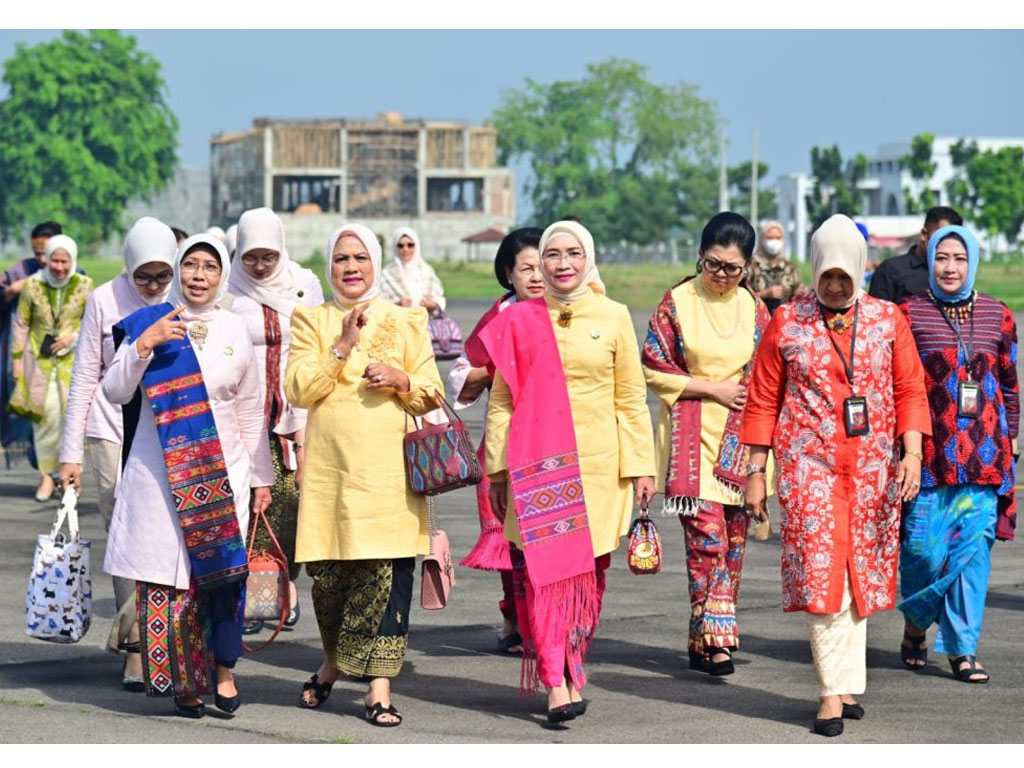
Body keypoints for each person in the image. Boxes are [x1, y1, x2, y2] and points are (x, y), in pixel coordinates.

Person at [741, 214, 930, 737]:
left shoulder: (888, 319)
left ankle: (844, 680)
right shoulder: (789, 322)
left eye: (845, 277)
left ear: (859, 270)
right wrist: (756, 472)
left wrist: (910, 455)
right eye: (828, 275)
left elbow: (910, 390)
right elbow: (762, 399)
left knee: (856, 573)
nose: (835, 285)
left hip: (872, 471)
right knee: (822, 569)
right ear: (818, 266)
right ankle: (829, 692)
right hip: (809, 467)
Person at [477, 220, 656, 724]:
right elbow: (503, 401)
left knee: (590, 579)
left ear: (588, 257)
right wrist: (497, 468)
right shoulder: (520, 320)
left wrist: (641, 465)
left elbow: (630, 398)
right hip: (538, 467)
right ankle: (554, 679)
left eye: (572, 253)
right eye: (551, 255)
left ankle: (574, 658)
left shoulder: (614, 315)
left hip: (600, 468)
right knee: (543, 578)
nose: (561, 264)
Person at [101, 233, 273, 719]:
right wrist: (144, 347)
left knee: (218, 578)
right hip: (161, 472)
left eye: (210, 267)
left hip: (225, 470)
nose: (199, 275)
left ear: (222, 275)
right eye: (191, 265)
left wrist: (261, 479)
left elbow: (250, 406)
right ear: (178, 269)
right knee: (169, 581)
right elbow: (114, 391)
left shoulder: (236, 327)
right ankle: (181, 680)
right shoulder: (150, 322)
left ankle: (223, 673)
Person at [285, 223, 443, 727]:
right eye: (340, 259)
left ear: (376, 264)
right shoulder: (311, 320)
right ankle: (332, 664)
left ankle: (379, 690)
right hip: (331, 477)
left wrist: (402, 380)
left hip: (389, 478)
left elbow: (433, 392)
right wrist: (342, 346)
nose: (351, 268)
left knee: (388, 580)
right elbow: (298, 390)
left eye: (360, 258)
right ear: (329, 267)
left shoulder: (407, 318)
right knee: (331, 582)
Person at [642, 212, 771, 676]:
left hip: (741, 442)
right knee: (707, 542)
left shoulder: (756, 309)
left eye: (732, 269)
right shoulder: (676, 303)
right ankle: (716, 640)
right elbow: (653, 365)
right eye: (713, 264)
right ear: (700, 257)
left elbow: (769, 372)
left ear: (747, 268)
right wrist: (709, 388)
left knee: (734, 546)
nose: (721, 276)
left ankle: (705, 636)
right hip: (691, 441)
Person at [58, 217, 178, 688]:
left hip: (166, 428)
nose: (151, 286)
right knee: (125, 538)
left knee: (163, 536)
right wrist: (71, 454)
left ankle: (159, 641)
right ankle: (134, 649)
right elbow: (86, 375)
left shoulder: (183, 298)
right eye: (142, 276)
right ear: (127, 266)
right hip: (110, 431)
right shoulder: (103, 299)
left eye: (161, 275)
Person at [896, 225, 1019, 683]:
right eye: (942, 257)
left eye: (960, 259)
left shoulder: (998, 315)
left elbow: (1008, 384)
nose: (950, 267)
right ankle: (914, 627)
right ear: (929, 260)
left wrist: (1013, 446)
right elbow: (897, 386)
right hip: (927, 459)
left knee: (972, 557)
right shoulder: (907, 313)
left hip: (985, 460)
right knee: (923, 555)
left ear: (973, 263)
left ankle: (963, 649)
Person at [227, 207, 324, 635]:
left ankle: (285, 583)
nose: (260, 265)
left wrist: (304, 420)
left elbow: (316, 348)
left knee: (290, 504)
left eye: (268, 255)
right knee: (246, 504)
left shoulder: (304, 285)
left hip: (295, 414)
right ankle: (248, 591)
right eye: (251, 256)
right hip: (243, 416)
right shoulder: (228, 288)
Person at [448, 227, 545, 655]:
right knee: (512, 541)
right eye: (527, 268)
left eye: (545, 265)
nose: (538, 275)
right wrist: (499, 370)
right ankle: (514, 615)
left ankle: (548, 621)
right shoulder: (501, 315)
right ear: (508, 274)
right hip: (506, 447)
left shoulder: (574, 311)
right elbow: (459, 376)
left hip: (558, 444)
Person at [10, 235, 93, 501]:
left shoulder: (85, 285)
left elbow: (94, 321)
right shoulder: (33, 285)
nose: (59, 267)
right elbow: (22, 323)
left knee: (72, 420)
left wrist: (74, 337)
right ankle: (47, 477)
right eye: (54, 260)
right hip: (40, 365)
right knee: (45, 421)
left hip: (74, 366)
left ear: (73, 260)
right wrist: (17, 360)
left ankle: (68, 478)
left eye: (64, 261)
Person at [1, 221, 61, 466]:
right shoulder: (21, 271)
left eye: (47, 254)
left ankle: (51, 471)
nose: (44, 261)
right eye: (38, 255)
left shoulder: (72, 274)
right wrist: (14, 290)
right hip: (23, 358)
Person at [868, 206, 963, 303]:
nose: (945, 245)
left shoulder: (956, 273)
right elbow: (877, 313)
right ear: (924, 235)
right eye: (940, 238)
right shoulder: (891, 270)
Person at [746, 219, 807, 313]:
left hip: (784, 321)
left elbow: (795, 294)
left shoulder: (790, 267)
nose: (774, 241)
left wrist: (800, 293)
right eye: (770, 238)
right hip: (757, 320)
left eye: (778, 238)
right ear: (762, 239)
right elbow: (741, 297)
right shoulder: (751, 266)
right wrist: (764, 294)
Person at [381, 226, 446, 312]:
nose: (405, 249)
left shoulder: (427, 270)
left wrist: (432, 304)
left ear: (416, 246)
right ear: (395, 247)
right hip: (396, 323)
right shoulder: (387, 274)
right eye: (400, 245)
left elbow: (439, 297)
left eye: (410, 245)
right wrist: (397, 304)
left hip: (425, 322)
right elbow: (379, 305)